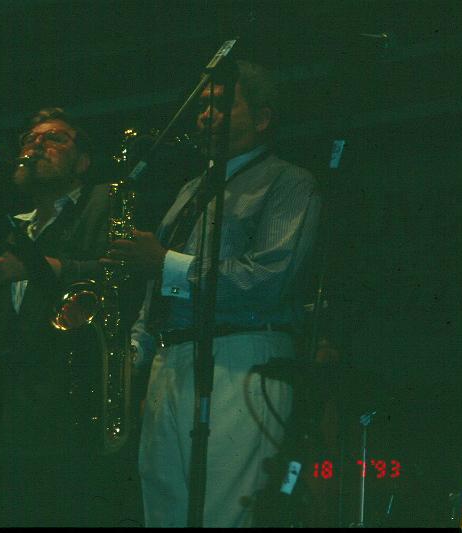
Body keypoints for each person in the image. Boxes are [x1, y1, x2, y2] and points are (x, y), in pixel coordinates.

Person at [103, 60, 322, 527]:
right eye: (202, 107)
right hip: (173, 362)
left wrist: (164, 262)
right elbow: (155, 284)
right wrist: (136, 350)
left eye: (221, 105)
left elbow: (270, 280)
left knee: (227, 512)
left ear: (262, 119)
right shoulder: (189, 190)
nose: (205, 117)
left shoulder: (289, 180)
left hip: (243, 358)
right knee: (163, 511)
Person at [0, 107, 132, 527]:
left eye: (55, 138)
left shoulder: (103, 202)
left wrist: (38, 268)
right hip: (15, 397)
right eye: (30, 139)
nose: (36, 146)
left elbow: (118, 276)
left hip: (75, 393)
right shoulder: (14, 229)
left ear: (83, 161)